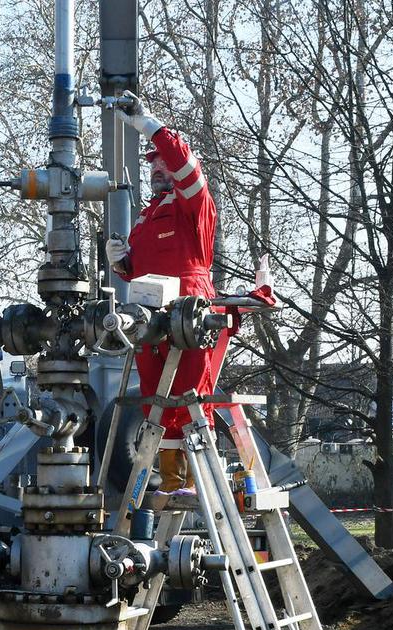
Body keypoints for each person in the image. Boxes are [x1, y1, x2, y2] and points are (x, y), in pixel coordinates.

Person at [106, 90, 230, 495]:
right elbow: (139, 266)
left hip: (189, 306)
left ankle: (199, 479)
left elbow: (186, 168)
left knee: (193, 394)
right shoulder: (149, 215)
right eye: (152, 163)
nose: (157, 167)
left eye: (161, 160)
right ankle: (173, 478)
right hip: (148, 310)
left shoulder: (194, 204)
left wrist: (148, 124)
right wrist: (121, 261)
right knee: (156, 401)